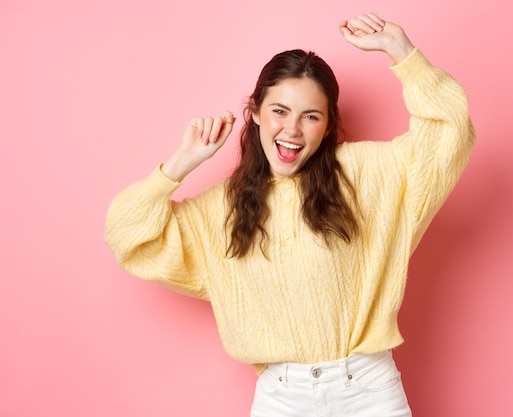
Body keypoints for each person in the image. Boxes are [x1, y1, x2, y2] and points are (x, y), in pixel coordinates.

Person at [105, 12, 475, 417]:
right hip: (281, 399)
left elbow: (449, 134)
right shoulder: (220, 209)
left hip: (368, 392)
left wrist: (402, 52)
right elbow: (128, 236)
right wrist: (179, 165)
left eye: (310, 116)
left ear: (328, 124)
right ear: (257, 113)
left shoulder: (368, 174)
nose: (292, 130)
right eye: (279, 111)